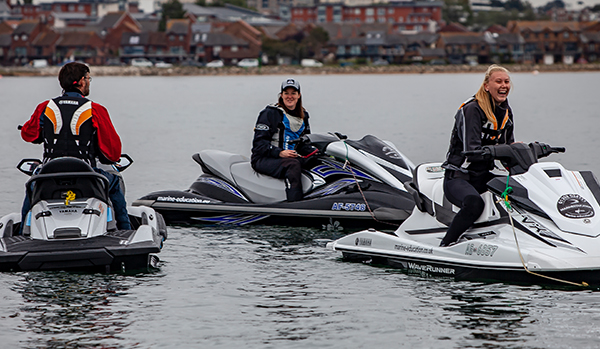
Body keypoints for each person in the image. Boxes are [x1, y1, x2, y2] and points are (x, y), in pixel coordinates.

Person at [20, 62, 132, 230]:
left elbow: (28, 134)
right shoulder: (95, 110)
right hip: (86, 175)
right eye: (88, 78)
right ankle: (125, 231)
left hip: (49, 175)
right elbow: (113, 153)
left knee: (32, 187)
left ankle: (23, 232)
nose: (89, 82)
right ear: (81, 81)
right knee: (114, 183)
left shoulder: (45, 107)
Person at [440, 64, 514, 247]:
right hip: (458, 177)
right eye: (498, 81)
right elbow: (471, 151)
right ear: (487, 86)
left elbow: (508, 149)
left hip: (483, 176)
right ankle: (446, 244)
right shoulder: (472, 109)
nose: (503, 85)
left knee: (520, 192)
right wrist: (504, 150)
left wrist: (526, 152)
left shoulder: (505, 111)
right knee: (475, 204)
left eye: (506, 81)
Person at [251, 78, 315, 202]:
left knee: (316, 161)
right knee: (293, 165)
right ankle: (295, 204)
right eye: (286, 93)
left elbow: (304, 143)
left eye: (293, 93)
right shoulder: (270, 113)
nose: (289, 96)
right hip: (264, 158)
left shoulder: (304, 116)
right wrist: (280, 152)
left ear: (299, 96)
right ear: (281, 95)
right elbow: (259, 145)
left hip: (290, 157)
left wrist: (318, 151)